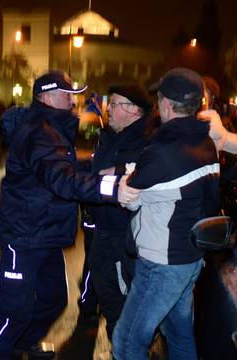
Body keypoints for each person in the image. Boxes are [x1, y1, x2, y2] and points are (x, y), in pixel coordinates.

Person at [0, 71, 137, 359]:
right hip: (24, 237)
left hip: (43, 233)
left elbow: (65, 168)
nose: (73, 100)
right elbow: (62, 179)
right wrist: (113, 189)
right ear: (48, 97)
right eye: (67, 95)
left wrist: (106, 169)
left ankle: (21, 344)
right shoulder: (39, 132)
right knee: (12, 312)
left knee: (53, 299)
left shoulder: (51, 129)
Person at [112, 68, 220, 359]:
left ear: (166, 104)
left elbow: (129, 198)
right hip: (190, 258)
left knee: (126, 342)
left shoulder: (161, 151)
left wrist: (129, 177)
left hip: (161, 264)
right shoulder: (207, 144)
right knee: (180, 334)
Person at [86, 84, 156, 340]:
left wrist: (109, 174)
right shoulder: (109, 135)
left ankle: (133, 340)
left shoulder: (146, 141)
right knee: (103, 282)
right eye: (110, 103)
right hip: (104, 226)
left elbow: (139, 178)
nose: (109, 109)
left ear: (133, 111)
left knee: (136, 290)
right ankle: (118, 334)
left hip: (128, 232)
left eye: (114, 104)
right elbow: (98, 171)